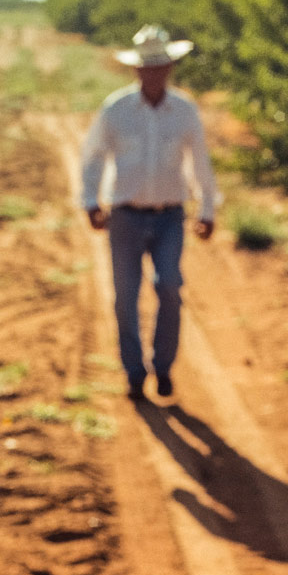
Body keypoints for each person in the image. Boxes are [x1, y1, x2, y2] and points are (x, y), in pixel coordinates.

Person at [80, 24, 217, 401]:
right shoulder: (116, 109)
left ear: (170, 68)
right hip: (125, 215)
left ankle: (163, 366)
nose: (154, 73)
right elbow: (93, 156)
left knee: (169, 285)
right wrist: (91, 201)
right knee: (125, 297)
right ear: (136, 69)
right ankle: (134, 371)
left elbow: (199, 161)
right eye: (148, 66)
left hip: (170, 215)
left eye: (161, 66)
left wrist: (208, 208)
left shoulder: (184, 111)